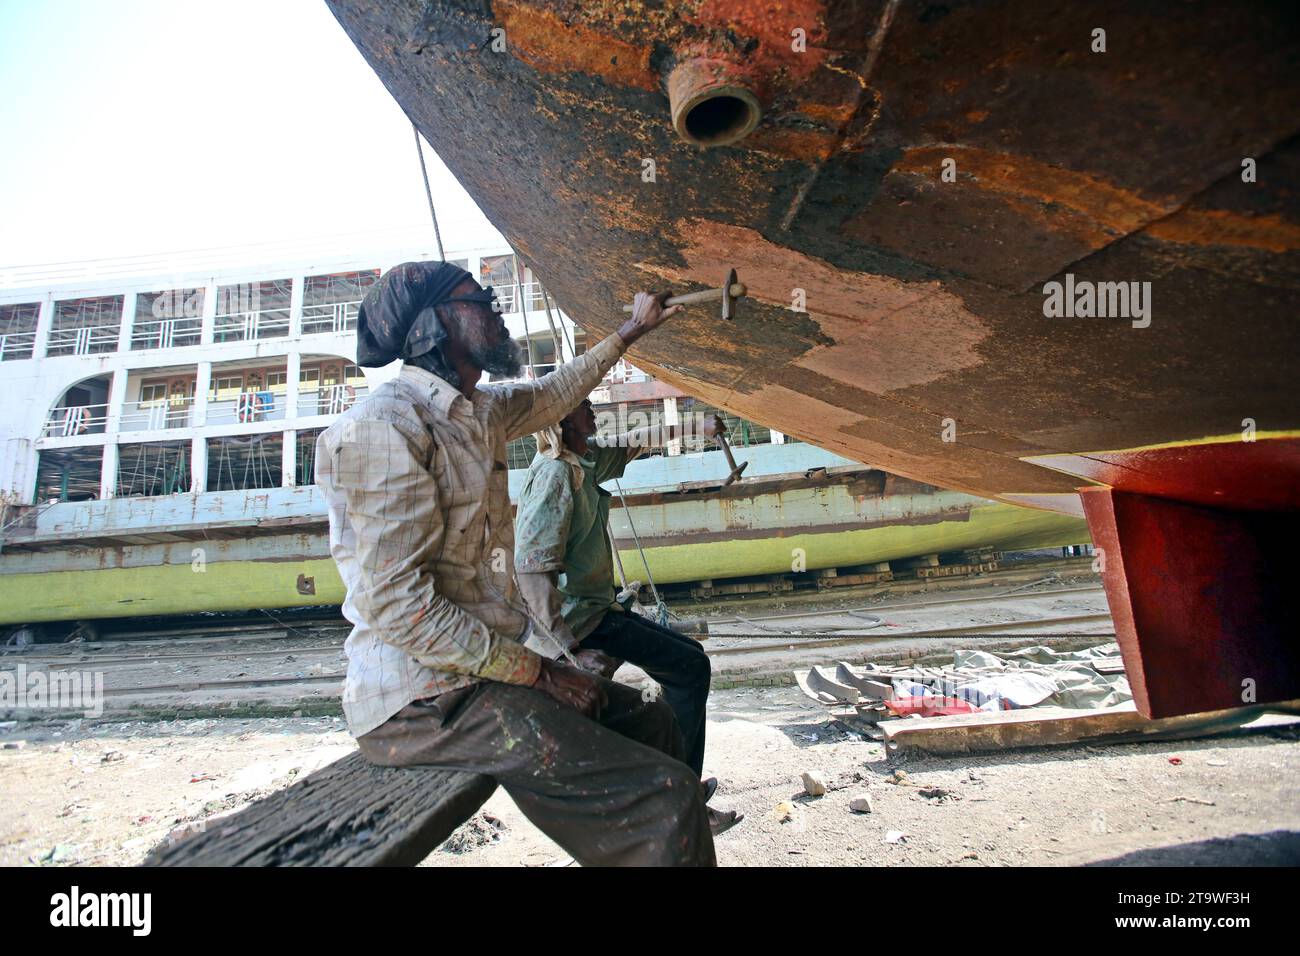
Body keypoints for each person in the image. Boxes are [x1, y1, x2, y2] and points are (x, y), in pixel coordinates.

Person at [315, 260, 714, 866]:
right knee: (667, 797)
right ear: (434, 325)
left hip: (478, 677)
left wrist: (631, 331)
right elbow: (398, 606)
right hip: (421, 702)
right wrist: (542, 672)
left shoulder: (478, 413)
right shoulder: (383, 428)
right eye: (482, 299)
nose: (498, 310)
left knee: (653, 727)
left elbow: (556, 391)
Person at [515, 399, 742, 834]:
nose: (592, 408)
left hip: (598, 609)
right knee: (690, 666)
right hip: (581, 623)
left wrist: (698, 425)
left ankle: (675, 784)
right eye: (583, 405)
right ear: (563, 420)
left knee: (688, 661)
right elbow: (530, 570)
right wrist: (568, 654)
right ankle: (679, 799)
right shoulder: (555, 474)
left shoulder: (584, 459)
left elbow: (634, 443)